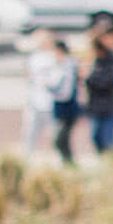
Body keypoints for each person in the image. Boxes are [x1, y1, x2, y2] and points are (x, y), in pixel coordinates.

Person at [83, 20, 113, 155]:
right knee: (97, 135)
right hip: (98, 99)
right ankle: (106, 160)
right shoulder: (96, 55)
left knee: (108, 135)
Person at [19, 28, 61, 154]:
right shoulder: (34, 57)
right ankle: (27, 157)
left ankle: (59, 158)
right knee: (30, 133)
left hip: (52, 103)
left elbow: (57, 79)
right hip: (35, 101)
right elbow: (28, 76)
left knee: (55, 134)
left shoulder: (55, 57)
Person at [46, 37, 81, 165]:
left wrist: (50, 86)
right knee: (61, 139)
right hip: (61, 107)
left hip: (68, 107)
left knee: (60, 139)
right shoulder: (58, 65)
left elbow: (65, 91)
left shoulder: (68, 66)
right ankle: (67, 162)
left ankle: (69, 163)